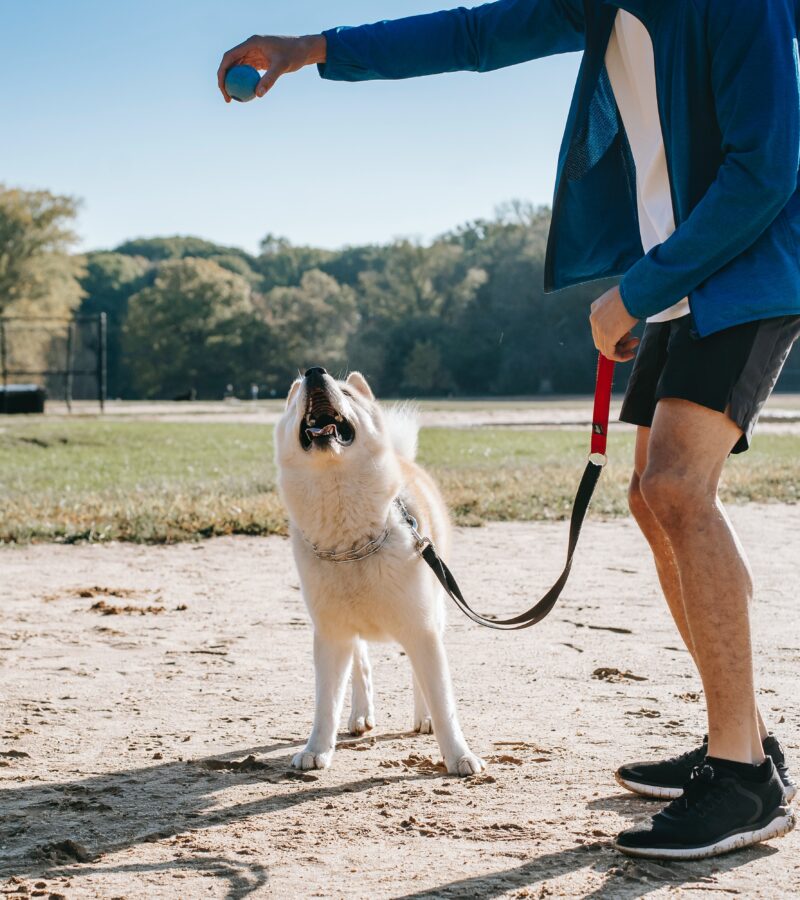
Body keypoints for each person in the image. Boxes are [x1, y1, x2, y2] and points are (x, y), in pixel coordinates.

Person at [217, 0, 800, 860]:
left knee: (679, 487)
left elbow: (768, 169)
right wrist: (311, 50)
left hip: (750, 264)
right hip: (686, 268)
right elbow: (474, 35)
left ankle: (744, 781)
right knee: (651, 499)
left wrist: (639, 288)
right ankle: (742, 741)